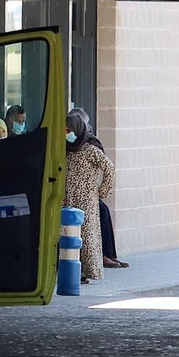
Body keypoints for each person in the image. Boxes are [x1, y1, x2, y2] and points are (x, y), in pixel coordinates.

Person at [63, 110, 113, 284]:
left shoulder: (90, 149)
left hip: (86, 202)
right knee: (68, 236)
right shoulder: (65, 150)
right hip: (67, 199)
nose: (66, 134)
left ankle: (86, 271)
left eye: (68, 130)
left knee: (87, 237)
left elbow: (109, 168)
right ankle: (71, 271)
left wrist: (102, 191)